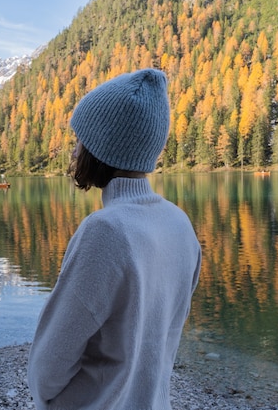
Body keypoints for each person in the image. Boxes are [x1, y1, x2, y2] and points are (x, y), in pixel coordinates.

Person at [27, 68, 202, 410]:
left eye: (81, 140)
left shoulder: (105, 231)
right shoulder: (180, 224)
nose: (74, 152)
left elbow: (48, 366)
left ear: (102, 147)